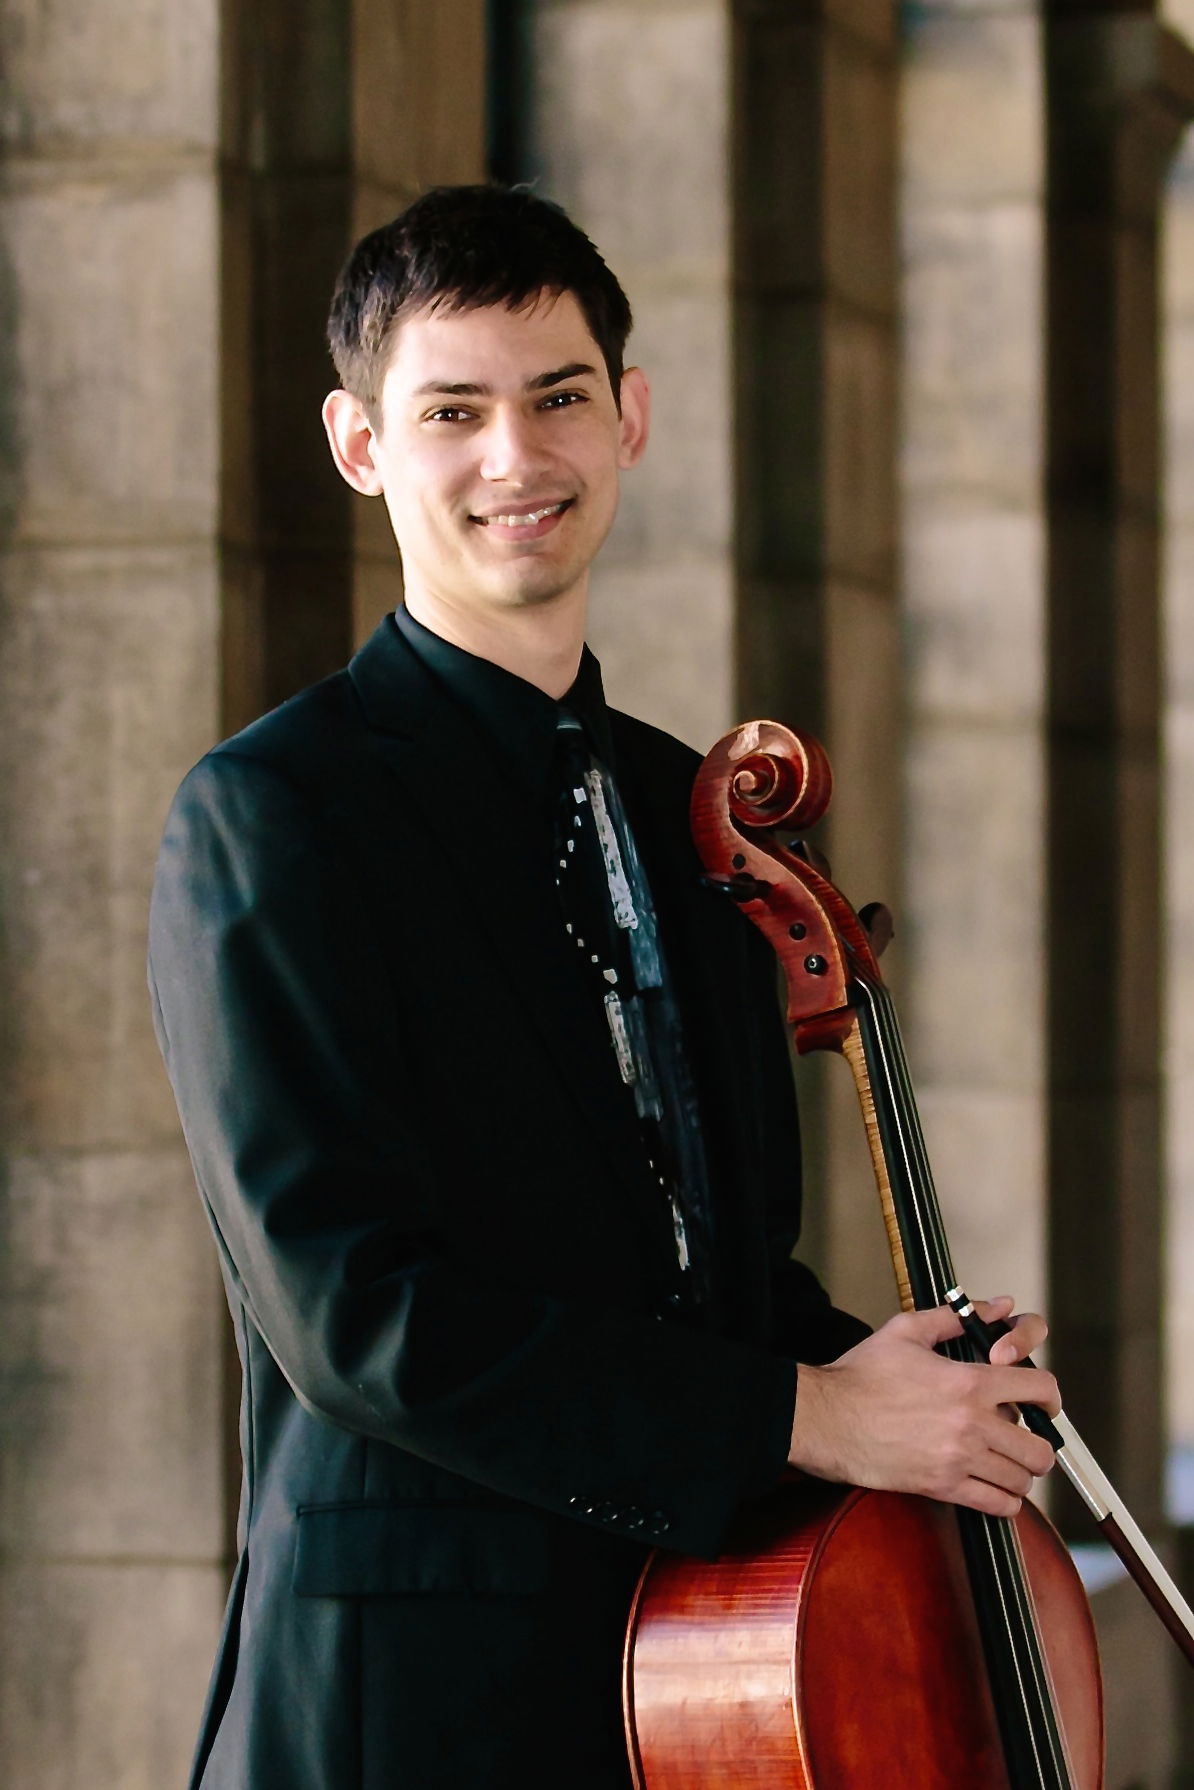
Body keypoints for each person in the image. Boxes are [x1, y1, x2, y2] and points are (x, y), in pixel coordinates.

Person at [148, 185, 1059, 1790]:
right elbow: (353, 1312)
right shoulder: (275, 812)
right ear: (360, 445)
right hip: (404, 1707)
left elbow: (721, 1280)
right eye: (452, 411)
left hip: (697, 1671)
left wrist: (910, 1384)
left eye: (558, 396)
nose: (517, 455)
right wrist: (812, 1416)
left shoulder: (686, 805)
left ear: (628, 418)